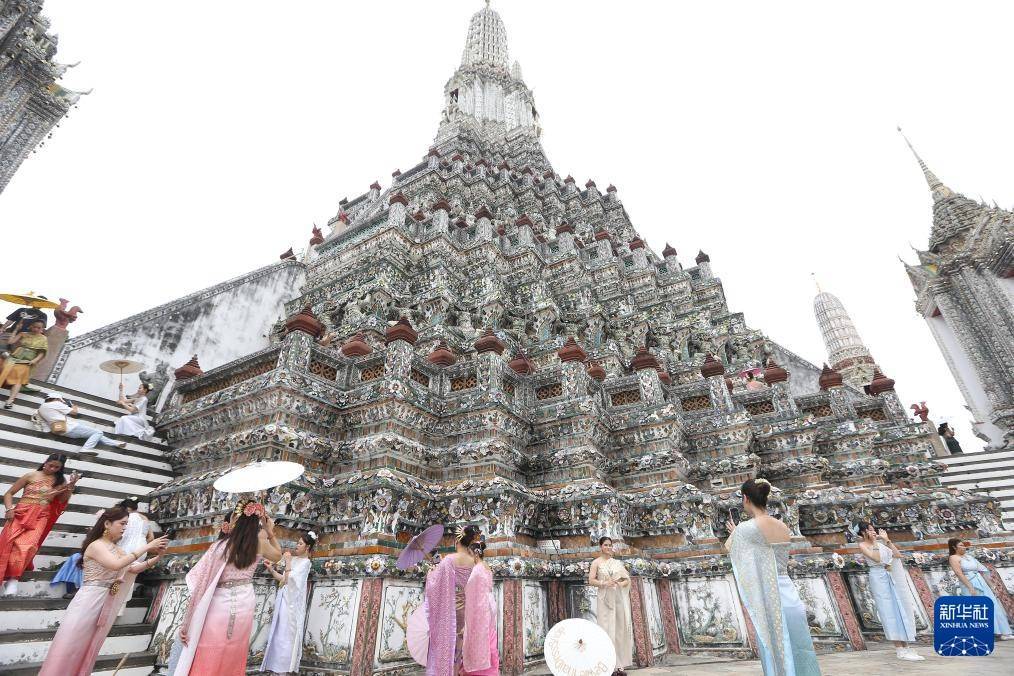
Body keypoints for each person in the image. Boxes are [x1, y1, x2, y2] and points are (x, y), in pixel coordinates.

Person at [38, 506, 167, 675]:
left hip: (104, 601)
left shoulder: (117, 549)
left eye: (126, 524)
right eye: (122, 523)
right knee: (70, 645)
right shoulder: (96, 546)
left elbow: (133, 568)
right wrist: (145, 547)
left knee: (88, 647)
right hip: (88, 601)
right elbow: (116, 565)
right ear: (107, 523)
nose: (124, 527)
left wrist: (158, 557)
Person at [170, 499, 282, 675]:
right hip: (245, 600)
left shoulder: (220, 546)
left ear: (235, 521)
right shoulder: (259, 543)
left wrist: (188, 622)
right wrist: (270, 532)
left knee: (209, 646)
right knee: (235, 650)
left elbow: (199, 583)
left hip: (219, 602)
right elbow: (278, 556)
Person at [725, 478, 821, 676]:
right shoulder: (782, 526)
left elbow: (733, 552)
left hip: (769, 597)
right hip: (789, 593)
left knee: (776, 651)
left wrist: (735, 533)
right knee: (799, 647)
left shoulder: (746, 529)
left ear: (745, 498)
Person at [0, 453, 79, 595]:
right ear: (45, 462)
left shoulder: (60, 481)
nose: (53, 469)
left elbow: (62, 501)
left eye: (57, 467)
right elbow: (9, 493)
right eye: (51, 465)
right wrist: (9, 508)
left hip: (41, 516)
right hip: (20, 513)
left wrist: (71, 486)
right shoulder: (30, 475)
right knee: (7, 544)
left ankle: (13, 580)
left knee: (28, 546)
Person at [857, 523, 924, 661]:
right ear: (864, 532)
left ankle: (906, 647)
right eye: (870, 530)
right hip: (878, 577)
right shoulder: (863, 545)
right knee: (888, 611)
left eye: (874, 530)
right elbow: (876, 559)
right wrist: (875, 542)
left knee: (900, 608)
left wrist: (887, 541)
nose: (874, 532)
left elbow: (897, 555)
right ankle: (899, 649)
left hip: (890, 575)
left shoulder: (881, 544)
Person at [425, 523, 479, 676]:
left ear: (457, 541)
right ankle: (456, 671)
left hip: (451, 606)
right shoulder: (472, 561)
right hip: (466, 605)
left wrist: (432, 571)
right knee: (460, 639)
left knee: (448, 640)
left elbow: (435, 581)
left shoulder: (449, 560)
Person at [260, 530, 317, 674]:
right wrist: (272, 570)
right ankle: (274, 668)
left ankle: (285, 669)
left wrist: (288, 561)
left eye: (300, 544)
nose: (297, 546)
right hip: (284, 599)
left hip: (292, 603)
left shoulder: (306, 563)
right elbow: (285, 579)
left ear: (307, 547)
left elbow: (293, 580)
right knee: (278, 634)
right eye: (297, 543)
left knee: (287, 635)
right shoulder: (296, 560)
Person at [948, 538, 1013, 640]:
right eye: (960, 545)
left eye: (963, 545)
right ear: (954, 547)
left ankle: (1002, 632)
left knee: (992, 605)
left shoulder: (969, 557)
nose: (963, 547)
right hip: (968, 583)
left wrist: (992, 586)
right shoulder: (953, 558)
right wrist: (970, 587)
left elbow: (982, 571)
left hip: (980, 582)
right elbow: (959, 573)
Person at [588, 536, 633, 675]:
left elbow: (626, 580)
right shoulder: (596, 563)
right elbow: (591, 580)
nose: (608, 547)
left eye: (610, 545)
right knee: (606, 630)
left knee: (619, 630)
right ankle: (608, 663)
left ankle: (620, 665)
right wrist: (604, 583)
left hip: (618, 599)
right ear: (600, 546)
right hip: (604, 600)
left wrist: (619, 584)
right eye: (606, 545)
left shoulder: (616, 563)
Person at [37, 393, 126, 449]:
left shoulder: (40, 409)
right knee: (98, 432)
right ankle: (86, 449)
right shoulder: (55, 403)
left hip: (59, 430)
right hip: (70, 428)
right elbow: (74, 412)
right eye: (61, 400)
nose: (62, 402)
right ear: (57, 399)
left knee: (93, 434)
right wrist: (73, 405)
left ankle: (115, 443)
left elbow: (43, 423)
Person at [463, 538, 499, 676]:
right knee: (489, 634)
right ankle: (491, 668)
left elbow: (468, 587)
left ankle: (480, 669)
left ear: (476, 554)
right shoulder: (486, 566)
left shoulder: (477, 569)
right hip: (489, 602)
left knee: (478, 634)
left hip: (481, 604)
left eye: (470, 554)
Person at [113, 497, 153, 615]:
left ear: (127, 508)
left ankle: (115, 607)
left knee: (120, 576)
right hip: (141, 549)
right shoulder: (144, 518)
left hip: (125, 548)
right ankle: (121, 608)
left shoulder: (126, 518)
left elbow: (120, 534)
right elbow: (151, 538)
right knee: (130, 578)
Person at [0, 320, 48, 409]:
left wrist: (35, 360)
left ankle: (10, 400)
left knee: (18, 377)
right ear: (30, 326)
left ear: (42, 329)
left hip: (27, 360)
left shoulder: (43, 338)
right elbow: (10, 342)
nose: (36, 329)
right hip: (15, 357)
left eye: (39, 328)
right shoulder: (23, 334)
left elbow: (42, 352)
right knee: (3, 368)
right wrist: (16, 329)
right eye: (34, 326)